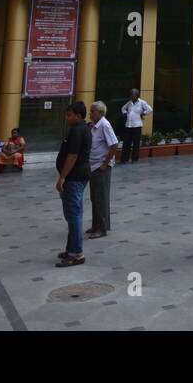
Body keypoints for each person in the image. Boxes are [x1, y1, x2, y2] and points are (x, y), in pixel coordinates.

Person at [54, 102, 91, 266]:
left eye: (69, 115)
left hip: (74, 176)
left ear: (78, 115)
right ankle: (71, 249)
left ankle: (76, 253)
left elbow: (72, 156)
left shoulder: (78, 131)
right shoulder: (82, 129)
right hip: (79, 175)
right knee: (74, 214)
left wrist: (62, 177)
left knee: (73, 214)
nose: (67, 118)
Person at [86, 101, 121, 239]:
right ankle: (97, 224)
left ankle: (102, 228)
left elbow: (114, 144)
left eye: (93, 111)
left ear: (100, 113)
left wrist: (105, 163)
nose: (90, 113)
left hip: (101, 166)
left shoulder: (105, 125)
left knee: (101, 197)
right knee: (95, 197)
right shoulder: (95, 126)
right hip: (93, 166)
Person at [119, 89, 151, 164]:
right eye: (130, 95)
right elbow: (123, 108)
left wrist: (143, 113)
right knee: (126, 143)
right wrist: (125, 113)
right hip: (128, 126)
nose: (131, 96)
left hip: (137, 126)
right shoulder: (129, 103)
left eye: (133, 95)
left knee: (136, 143)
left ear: (137, 95)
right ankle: (124, 159)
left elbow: (149, 109)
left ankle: (134, 159)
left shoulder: (142, 102)